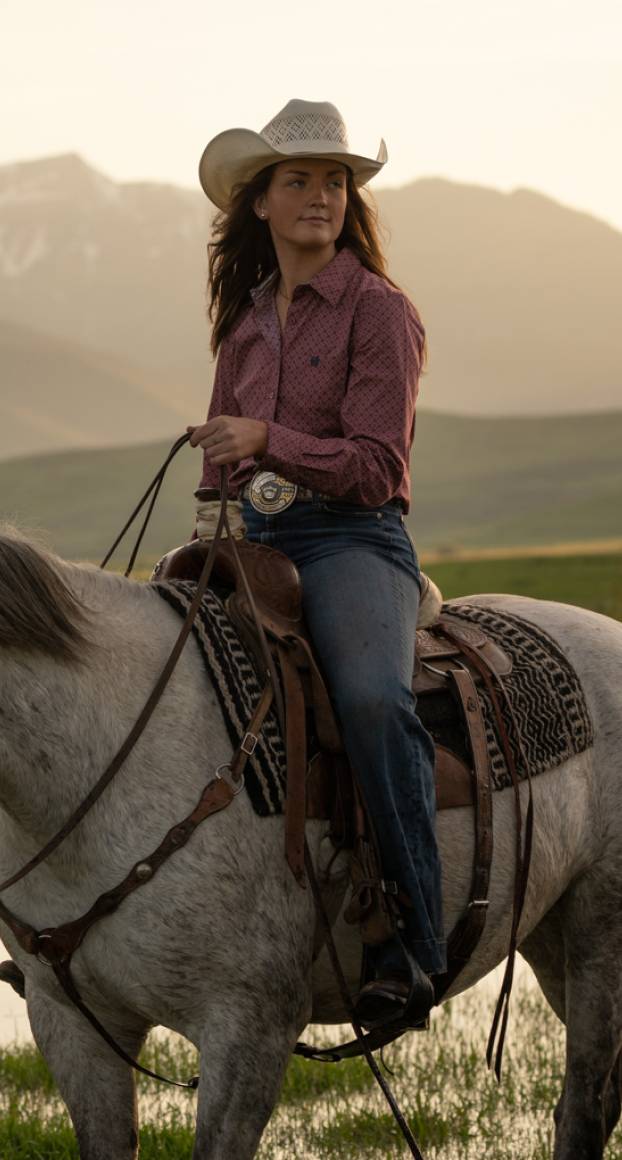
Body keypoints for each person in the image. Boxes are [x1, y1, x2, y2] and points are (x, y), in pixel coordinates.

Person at [187, 99, 446, 1026]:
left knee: (374, 704)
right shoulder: (246, 325)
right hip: (251, 541)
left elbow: (379, 466)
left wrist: (270, 437)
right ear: (259, 202)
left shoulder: (379, 312)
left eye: (335, 181)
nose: (320, 196)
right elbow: (226, 457)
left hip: (352, 538)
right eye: (299, 179)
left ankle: (413, 941)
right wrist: (217, 479)